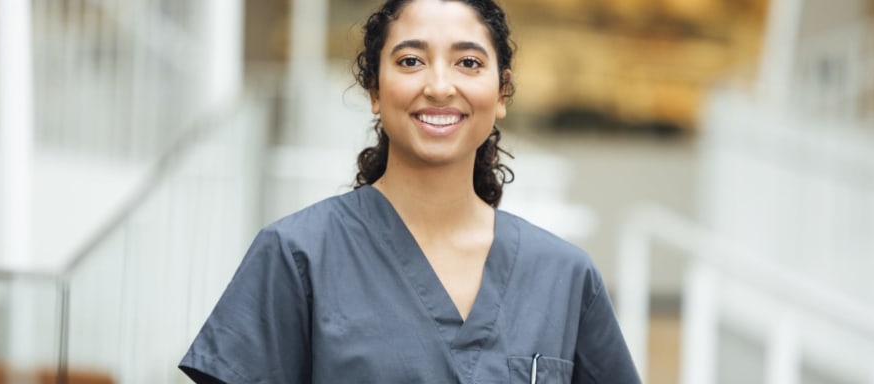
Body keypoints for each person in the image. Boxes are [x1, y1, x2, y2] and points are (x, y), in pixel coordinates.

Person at [179, 0, 640, 382]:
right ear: (375, 91)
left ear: (501, 92)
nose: (440, 86)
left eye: (469, 62)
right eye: (411, 61)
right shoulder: (297, 255)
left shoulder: (563, 276)